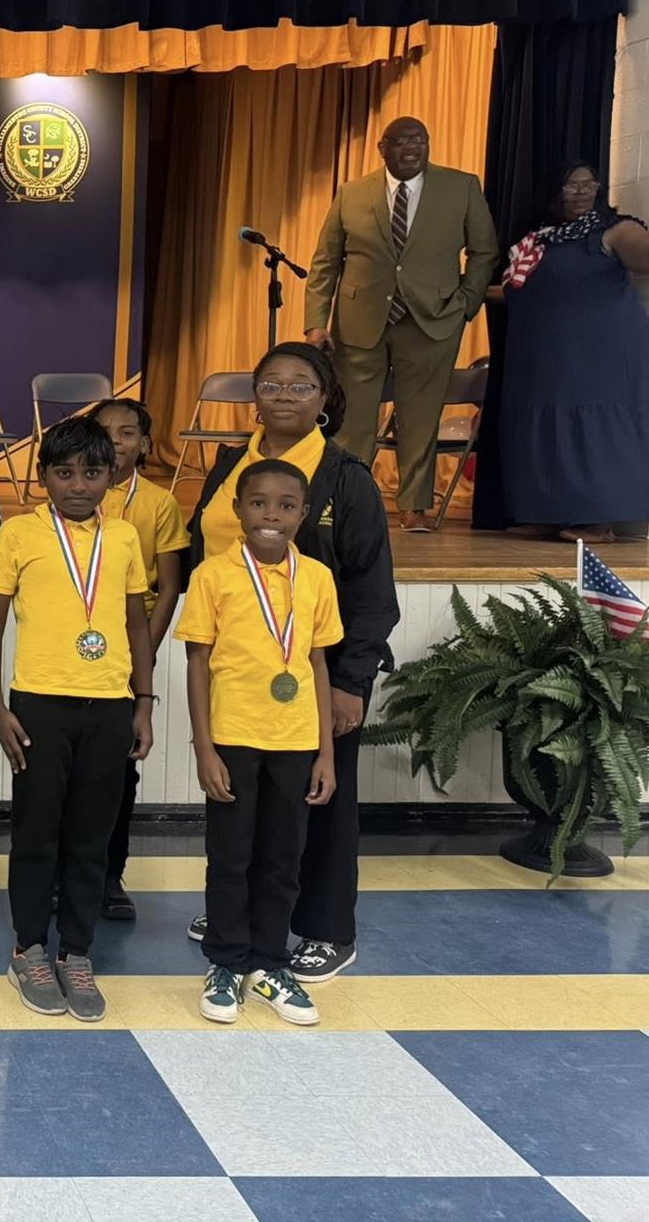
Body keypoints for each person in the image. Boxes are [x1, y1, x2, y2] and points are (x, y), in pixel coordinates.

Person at [186, 340, 398, 983]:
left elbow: (371, 591)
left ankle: (327, 928)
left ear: (326, 399)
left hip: (314, 671)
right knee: (242, 807)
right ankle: (244, 915)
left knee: (321, 804)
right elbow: (202, 547)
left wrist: (351, 683)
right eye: (271, 383)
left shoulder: (344, 476)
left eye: (301, 385)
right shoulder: (231, 465)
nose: (283, 394)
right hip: (237, 673)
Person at [0, 417, 152, 1024]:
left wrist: (145, 704)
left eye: (92, 472)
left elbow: (136, 625)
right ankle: (28, 949)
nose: (78, 485)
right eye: (64, 472)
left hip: (109, 705)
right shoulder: (19, 535)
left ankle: (76, 952)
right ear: (44, 476)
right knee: (37, 833)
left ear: (113, 474)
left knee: (90, 838)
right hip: (39, 705)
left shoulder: (125, 537)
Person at [180, 459, 341, 1027]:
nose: (271, 515)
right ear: (237, 509)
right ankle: (225, 960)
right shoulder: (213, 576)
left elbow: (317, 663)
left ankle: (270, 961)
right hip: (232, 738)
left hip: (296, 742)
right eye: (259, 503)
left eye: (286, 505)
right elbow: (197, 661)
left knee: (282, 857)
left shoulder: (317, 578)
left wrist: (325, 751)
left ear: (304, 513)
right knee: (230, 855)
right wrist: (204, 748)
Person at [305, 114, 498, 531]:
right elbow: (325, 262)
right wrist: (316, 324)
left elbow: (484, 252)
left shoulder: (461, 187)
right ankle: (343, 499)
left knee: (420, 417)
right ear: (383, 148)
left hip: (433, 321)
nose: (412, 148)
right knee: (352, 418)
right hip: (359, 324)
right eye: (402, 141)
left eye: (420, 141)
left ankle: (414, 506)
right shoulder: (351, 193)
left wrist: (466, 302)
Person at [493, 161, 649, 541]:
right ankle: (550, 510)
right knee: (546, 428)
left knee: (595, 428)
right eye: (570, 186)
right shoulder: (537, 240)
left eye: (588, 184)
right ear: (553, 191)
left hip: (599, 355)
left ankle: (599, 519)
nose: (581, 192)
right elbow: (514, 291)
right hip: (544, 356)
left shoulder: (614, 230)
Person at [90, 397, 190, 921]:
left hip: (133, 654)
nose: (115, 441)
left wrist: (141, 657)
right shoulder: (75, 494)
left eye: (126, 432)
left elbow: (169, 587)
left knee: (119, 772)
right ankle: (70, 874)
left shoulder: (159, 504)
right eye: (104, 431)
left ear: (145, 444)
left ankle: (110, 874)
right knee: (69, 773)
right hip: (75, 652)